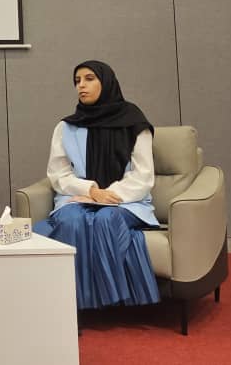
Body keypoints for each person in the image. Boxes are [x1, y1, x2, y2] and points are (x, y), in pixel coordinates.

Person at [33, 60, 161, 311]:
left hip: (125, 200)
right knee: (71, 220)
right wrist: (90, 191)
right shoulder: (66, 127)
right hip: (78, 197)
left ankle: (101, 301)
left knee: (105, 219)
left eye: (89, 79)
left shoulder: (134, 123)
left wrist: (106, 195)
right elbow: (58, 173)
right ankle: (71, 304)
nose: (81, 86)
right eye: (77, 81)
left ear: (107, 82)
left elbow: (143, 175)